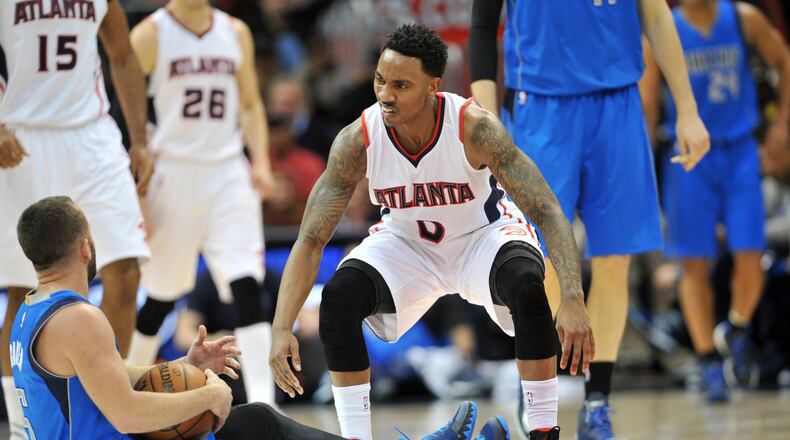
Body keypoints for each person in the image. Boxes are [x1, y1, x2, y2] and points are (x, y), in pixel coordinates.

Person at [270, 24, 593, 440]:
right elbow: (311, 239)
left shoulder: (474, 128)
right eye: (381, 80)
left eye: (401, 85)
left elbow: (547, 210)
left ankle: (543, 432)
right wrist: (281, 327)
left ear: (433, 87)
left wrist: (572, 297)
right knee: (338, 299)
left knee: (527, 286)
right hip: (407, 243)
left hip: (483, 236)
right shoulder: (358, 140)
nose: (386, 94)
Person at [14, 196, 500, 440]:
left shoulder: (30, 311)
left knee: (259, 423)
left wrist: (186, 363)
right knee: (259, 425)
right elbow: (125, 412)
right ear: (85, 247)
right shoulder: (78, 318)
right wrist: (206, 394)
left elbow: (109, 378)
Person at [468, 0, 710, 438]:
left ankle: (597, 401)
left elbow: (656, 16)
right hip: (539, 104)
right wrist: (485, 119)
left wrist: (688, 109)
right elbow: (484, 23)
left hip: (618, 103)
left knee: (616, 260)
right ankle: (539, 384)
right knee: (538, 260)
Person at [0, 1, 153, 436]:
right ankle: (23, 425)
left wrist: (139, 139)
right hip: (23, 136)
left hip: (93, 136)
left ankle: (108, 403)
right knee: (24, 290)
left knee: (125, 273)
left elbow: (122, 54)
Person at [123, 0, 278, 406]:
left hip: (227, 171)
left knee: (247, 284)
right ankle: (125, 392)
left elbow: (249, 104)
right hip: (170, 171)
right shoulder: (150, 34)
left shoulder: (235, 31)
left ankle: (264, 404)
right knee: (160, 295)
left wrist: (260, 161)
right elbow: (126, 110)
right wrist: (134, 182)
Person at [640, 0, 790, 402]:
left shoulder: (743, 18)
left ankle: (736, 329)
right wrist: (642, 169)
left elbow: (784, 61)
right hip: (688, 158)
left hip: (741, 152)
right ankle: (708, 360)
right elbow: (648, 103)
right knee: (693, 263)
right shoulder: (661, 29)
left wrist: (781, 126)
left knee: (751, 252)